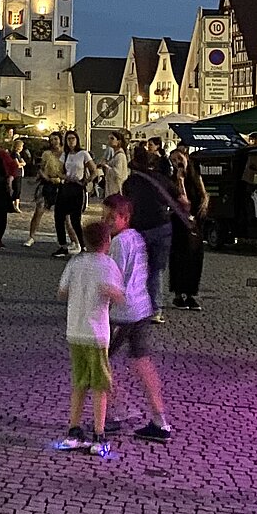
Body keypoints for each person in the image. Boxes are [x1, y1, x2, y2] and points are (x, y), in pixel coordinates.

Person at [102, 196, 173, 443]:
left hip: (123, 313)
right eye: (104, 217)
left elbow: (113, 279)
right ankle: (159, 419)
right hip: (141, 308)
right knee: (142, 363)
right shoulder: (136, 238)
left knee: (99, 360)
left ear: (125, 218)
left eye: (112, 217)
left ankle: (116, 412)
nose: (106, 222)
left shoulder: (119, 243)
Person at [55, 223, 124, 457]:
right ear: (107, 242)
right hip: (97, 334)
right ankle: (98, 433)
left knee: (79, 382)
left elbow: (62, 292)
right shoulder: (108, 265)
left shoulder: (75, 263)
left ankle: (73, 430)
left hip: (75, 331)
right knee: (100, 385)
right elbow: (117, 294)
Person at [124, 147, 189, 323]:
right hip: (162, 226)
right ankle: (155, 310)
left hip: (139, 228)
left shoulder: (129, 183)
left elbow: (127, 207)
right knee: (156, 270)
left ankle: (134, 306)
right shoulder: (162, 179)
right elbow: (184, 201)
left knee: (137, 268)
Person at [168, 146, 209, 311]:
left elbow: (203, 194)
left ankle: (191, 294)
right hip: (180, 223)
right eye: (174, 160)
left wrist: (206, 200)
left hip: (196, 223)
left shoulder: (195, 175)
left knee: (195, 256)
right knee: (179, 257)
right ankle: (178, 295)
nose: (178, 162)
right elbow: (184, 202)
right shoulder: (174, 179)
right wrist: (180, 181)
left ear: (186, 157)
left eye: (179, 158)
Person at [50, 130, 96, 259]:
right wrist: (63, 176)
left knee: (75, 220)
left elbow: (94, 170)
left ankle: (83, 245)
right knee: (59, 216)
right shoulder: (65, 155)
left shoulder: (83, 154)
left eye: (72, 139)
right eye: (68, 139)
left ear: (76, 140)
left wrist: (86, 181)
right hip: (66, 186)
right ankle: (63, 246)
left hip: (77, 187)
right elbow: (58, 170)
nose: (70, 141)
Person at [22, 141, 63, 249]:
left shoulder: (65, 154)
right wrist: (40, 178)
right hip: (47, 183)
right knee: (39, 210)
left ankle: (66, 240)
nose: (54, 142)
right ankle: (31, 236)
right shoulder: (46, 154)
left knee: (63, 214)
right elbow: (41, 168)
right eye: (52, 139)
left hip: (61, 184)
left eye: (56, 139)